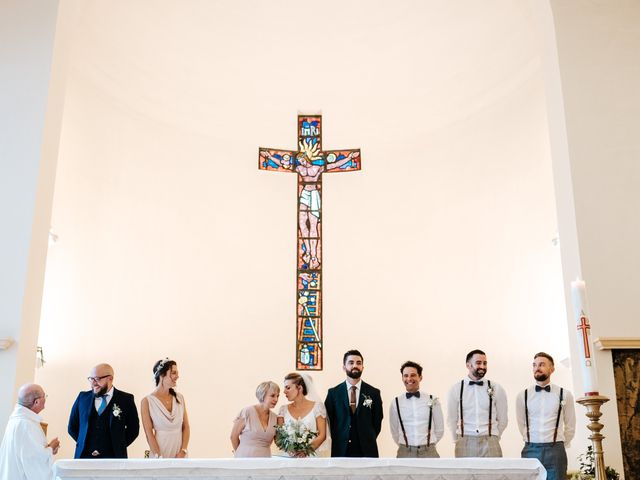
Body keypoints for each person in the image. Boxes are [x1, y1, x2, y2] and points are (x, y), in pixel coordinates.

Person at [260, 142, 359, 269]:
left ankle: (314, 256)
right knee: (302, 223)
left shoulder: (317, 168)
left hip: (313, 195)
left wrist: (349, 158)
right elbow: (283, 164)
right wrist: (268, 156)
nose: (300, 161)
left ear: (306, 157)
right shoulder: (299, 169)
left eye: (302, 159)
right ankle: (308, 251)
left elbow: (334, 165)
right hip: (305, 193)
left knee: (313, 225)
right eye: (299, 160)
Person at [516, 352, 576, 480]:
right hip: (530, 449)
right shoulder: (523, 395)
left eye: (542, 364)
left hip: (556, 450)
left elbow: (570, 426)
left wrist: (558, 444)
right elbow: (521, 424)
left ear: (552, 369)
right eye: (534, 365)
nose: (537, 368)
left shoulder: (565, 394)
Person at [68, 363, 139, 458]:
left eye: (97, 379)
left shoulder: (126, 399)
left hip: (114, 458)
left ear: (110, 378)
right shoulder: (82, 398)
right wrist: (84, 443)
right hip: (84, 457)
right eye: (91, 379)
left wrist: (118, 445)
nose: (93, 383)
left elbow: (133, 430)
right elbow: (72, 427)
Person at [446, 349, 508, 457]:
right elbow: (451, 419)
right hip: (464, 440)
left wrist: (494, 437)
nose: (483, 367)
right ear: (468, 365)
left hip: (490, 440)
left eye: (485, 363)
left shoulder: (497, 388)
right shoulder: (456, 389)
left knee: (493, 473)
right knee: (465, 474)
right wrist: (457, 440)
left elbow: (503, 419)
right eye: (478, 363)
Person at [324, 349, 383, 457]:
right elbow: (329, 421)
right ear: (344, 367)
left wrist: (367, 437)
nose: (355, 365)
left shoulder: (374, 393)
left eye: (358, 363)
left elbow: (377, 421)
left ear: (363, 367)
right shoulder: (333, 393)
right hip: (340, 449)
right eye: (351, 363)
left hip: (367, 450)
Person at [0, 384, 59, 480]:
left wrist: (47, 448)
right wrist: (51, 448)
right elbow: (34, 461)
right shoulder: (26, 424)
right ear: (36, 402)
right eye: (44, 396)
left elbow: (28, 451)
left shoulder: (18, 420)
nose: (45, 399)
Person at [389, 361, 444, 458]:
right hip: (404, 452)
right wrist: (406, 447)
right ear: (402, 378)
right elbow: (394, 432)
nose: (409, 379)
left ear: (420, 377)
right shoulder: (396, 402)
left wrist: (429, 445)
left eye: (413, 375)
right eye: (405, 376)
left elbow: (440, 429)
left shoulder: (432, 400)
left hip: (429, 452)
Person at [141, 358, 190, 458]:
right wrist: (158, 456)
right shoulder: (147, 402)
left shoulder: (180, 398)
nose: (177, 376)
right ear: (162, 375)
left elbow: (186, 426)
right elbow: (149, 433)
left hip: (180, 454)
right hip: (159, 453)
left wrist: (183, 451)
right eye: (173, 373)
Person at [277, 373, 328, 456]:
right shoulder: (283, 410)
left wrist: (306, 451)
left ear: (300, 388)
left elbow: (322, 435)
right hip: (290, 456)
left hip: (311, 456)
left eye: (288, 388)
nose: (284, 391)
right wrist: (290, 449)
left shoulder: (317, 407)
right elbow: (279, 437)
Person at [231, 381, 280, 457]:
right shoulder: (247, 412)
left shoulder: (275, 417)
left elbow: (279, 442)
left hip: (266, 460)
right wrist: (240, 454)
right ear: (262, 395)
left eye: (278, 396)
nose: (276, 399)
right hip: (244, 458)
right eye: (272, 396)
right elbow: (233, 436)